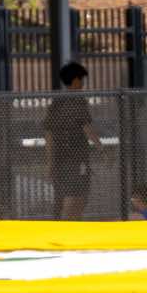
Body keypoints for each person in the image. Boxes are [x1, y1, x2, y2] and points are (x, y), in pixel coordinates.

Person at [46, 61, 98, 219]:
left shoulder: (56, 103)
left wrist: (50, 162)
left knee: (68, 195)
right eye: (81, 80)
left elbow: (49, 134)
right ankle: (68, 224)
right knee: (76, 196)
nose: (82, 84)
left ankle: (69, 223)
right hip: (75, 158)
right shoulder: (77, 102)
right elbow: (87, 128)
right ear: (75, 80)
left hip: (61, 158)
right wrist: (101, 148)